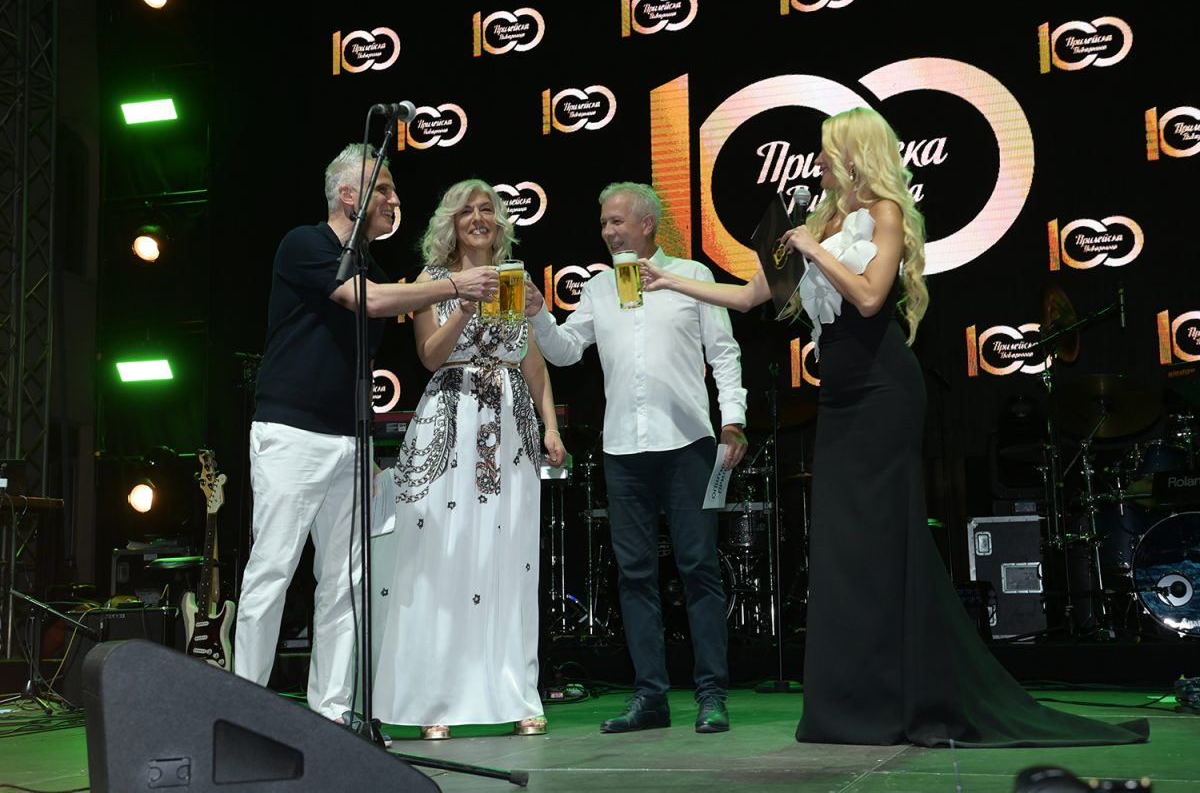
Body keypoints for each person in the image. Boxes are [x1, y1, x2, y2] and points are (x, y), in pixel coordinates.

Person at [639, 107, 1149, 747]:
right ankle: (856, 702)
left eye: (825, 150)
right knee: (844, 548)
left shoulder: (882, 212)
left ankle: (906, 697)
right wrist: (670, 281)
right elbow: (747, 298)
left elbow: (870, 296)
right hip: (840, 394)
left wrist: (813, 250)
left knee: (884, 541)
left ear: (853, 154)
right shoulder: (818, 221)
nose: (816, 161)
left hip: (883, 386)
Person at [235, 144, 499, 724]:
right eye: (383, 189)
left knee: (345, 582)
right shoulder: (305, 244)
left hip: (350, 443)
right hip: (292, 433)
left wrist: (367, 444)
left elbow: (368, 358)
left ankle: (330, 713)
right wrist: (455, 286)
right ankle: (244, 712)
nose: (394, 199)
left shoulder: (373, 267)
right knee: (273, 569)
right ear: (348, 194)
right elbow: (368, 301)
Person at [524, 182, 747, 734]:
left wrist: (733, 419)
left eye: (617, 221)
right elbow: (566, 351)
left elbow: (723, 352)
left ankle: (712, 695)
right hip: (623, 450)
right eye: (604, 223)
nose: (608, 231)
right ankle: (650, 697)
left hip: (688, 444)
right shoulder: (599, 287)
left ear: (647, 223)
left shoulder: (692, 275)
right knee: (635, 575)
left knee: (699, 568)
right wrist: (538, 313)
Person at [370, 179, 566, 740]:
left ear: (499, 221)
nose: (478, 218)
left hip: (510, 430)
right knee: (442, 556)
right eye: (466, 212)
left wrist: (550, 426)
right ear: (450, 224)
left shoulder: (514, 279)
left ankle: (515, 693)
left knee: (509, 560)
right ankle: (435, 699)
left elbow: (532, 363)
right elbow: (430, 356)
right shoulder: (431, 280)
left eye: (487, 210)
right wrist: (463, 305)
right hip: (449, 425)